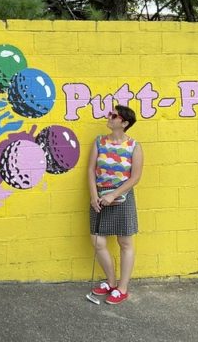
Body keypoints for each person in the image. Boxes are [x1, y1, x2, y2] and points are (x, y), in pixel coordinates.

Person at [87, 104, 144, 304]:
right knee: (98, 241)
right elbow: (91, 170)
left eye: (114, 115)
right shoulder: (99, 142)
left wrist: (114, 195)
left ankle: (122, 288)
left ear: (124, 123)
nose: (109, 117)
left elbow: (135, 177)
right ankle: (111, 282)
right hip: (99, 197)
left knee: (125, 243)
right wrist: (94, 196)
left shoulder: (134, 146)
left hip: (122, 199)